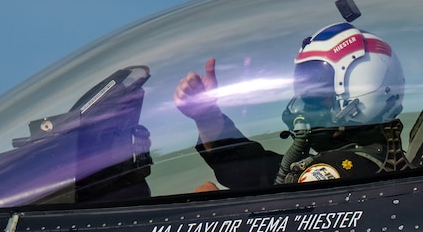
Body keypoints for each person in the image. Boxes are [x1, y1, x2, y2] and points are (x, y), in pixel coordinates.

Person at [174, 22, 409, 190]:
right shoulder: (375, 160)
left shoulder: (343, 173)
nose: (304, 103)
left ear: (361, 95)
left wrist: (212, 209)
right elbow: (260, 171)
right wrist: (207, 117)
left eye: (317, 92)